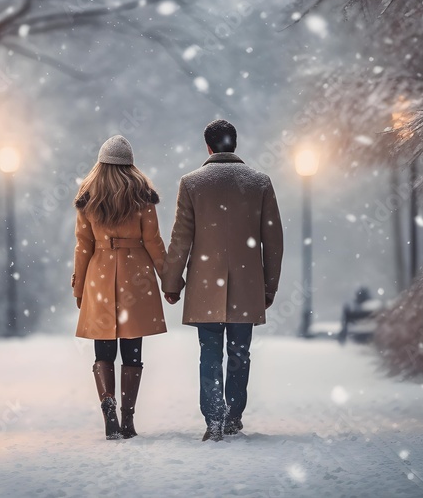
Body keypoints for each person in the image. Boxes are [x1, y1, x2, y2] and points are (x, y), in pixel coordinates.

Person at [162, 119, 284, 441]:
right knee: (240, 352)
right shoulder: (260, 183)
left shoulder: (191, 184)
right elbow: (273, 240)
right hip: (247, 286)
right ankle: (233, 415)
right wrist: (268, 286)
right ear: (234, 144)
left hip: (205, 285)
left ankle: (213, 418)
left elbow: (180, 238)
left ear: (208, 147)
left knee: (210, 352)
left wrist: (172, 282)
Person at [71, 135, 168, 440]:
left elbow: (82, 246)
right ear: (130, 164)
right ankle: (128, 420)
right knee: (132, 349)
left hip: (98, 272)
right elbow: (153, 241)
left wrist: (78, 288)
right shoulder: (142, 195)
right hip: (135, 273)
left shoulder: (89, 196)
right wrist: (170, 279)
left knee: (103, 348)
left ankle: (109, 413)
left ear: (101, 164)